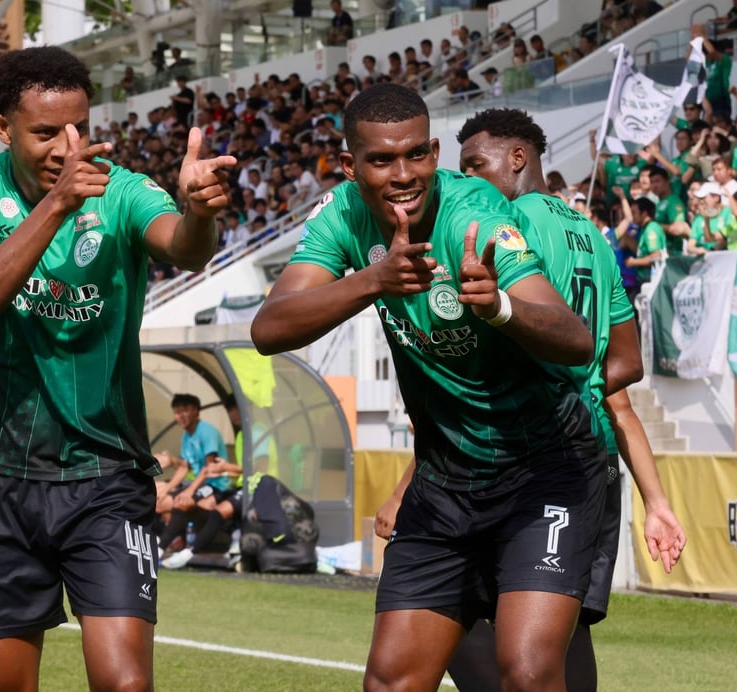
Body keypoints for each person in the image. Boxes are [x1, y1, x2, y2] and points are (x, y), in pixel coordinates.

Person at [250, 84, 603, 691]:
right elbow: (269, 328)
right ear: (350, 165)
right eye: (382, 160)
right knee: (391, 682)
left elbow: (575, 339)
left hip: (543, 467)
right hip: (444, 481)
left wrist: (499, 308)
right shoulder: (341, 215)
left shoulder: (475, 213)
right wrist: (373, 279)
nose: (403, 175)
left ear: (435, 153)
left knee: (528, 672)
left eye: (416, 154)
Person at [0, 46, 234, 690]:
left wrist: (200, 214)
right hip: (2, 477)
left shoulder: (120, 189)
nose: (67, 148)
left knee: (126, 684)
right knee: (0, 684)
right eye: (46, 132)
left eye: (79, 129)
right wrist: (57, 205)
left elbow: (184, 249)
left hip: (107, 478)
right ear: (3, 127)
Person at [441, 107, 685, 691]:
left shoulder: (505, 224)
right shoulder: (593, 235)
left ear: (517, 157)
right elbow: (625, 364)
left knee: (448, 605)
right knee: (562, 629)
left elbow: (482, 373)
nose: (467, 179)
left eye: (475, 165)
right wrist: (584, 384)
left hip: (529, 451)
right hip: (594, 458)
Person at [157, 393, 237, 569]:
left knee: (181, 502)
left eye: (184, 410)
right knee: (158, 498)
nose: (180, 416)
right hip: (200, 484)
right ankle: (168, 542)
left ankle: (161, 550)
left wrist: (189, 491)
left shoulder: (206, 432)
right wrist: (167, 489)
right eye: (177, 412)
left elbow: (210, 469)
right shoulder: (186, 436)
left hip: (216, 485)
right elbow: (184, 468)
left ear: (196, 411)